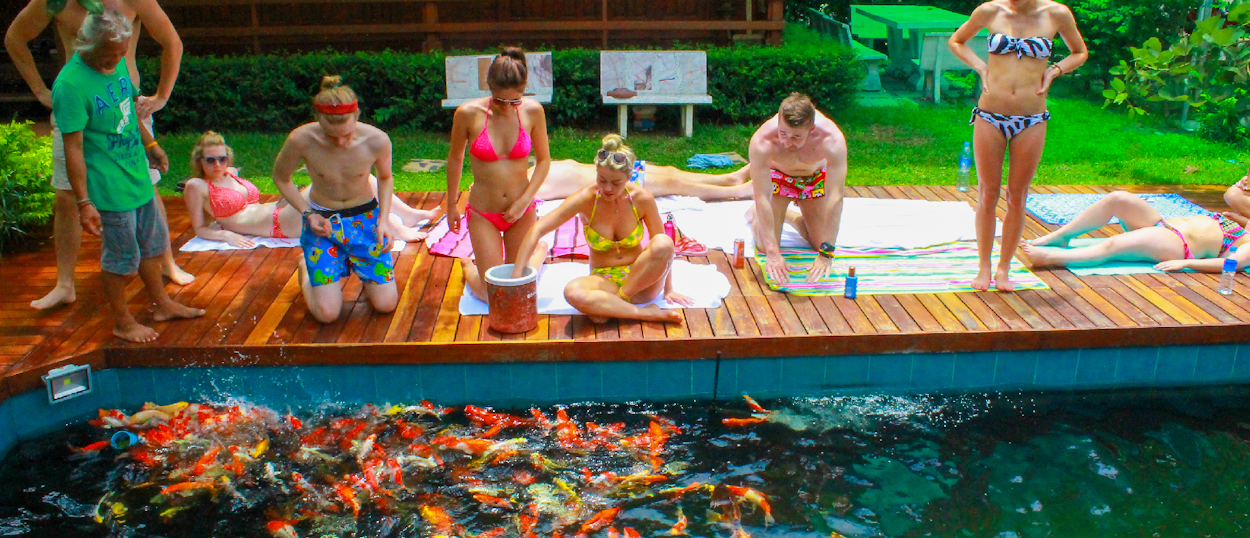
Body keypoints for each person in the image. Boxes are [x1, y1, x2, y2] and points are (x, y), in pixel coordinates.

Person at [6, 0, 192, 311]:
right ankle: (65, 283)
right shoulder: (55, 2)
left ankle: (167, 264)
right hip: (78, 107)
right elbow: (15, 37)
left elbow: (172, 41)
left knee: (146, 186)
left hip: (123, 108)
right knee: (67, 193)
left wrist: (161, 97)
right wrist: (40, 91)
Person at [53, 10, 204, 342]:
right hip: (108, 186)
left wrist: (151, 145)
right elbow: (73, 148)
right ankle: (122, 322)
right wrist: (84, 203)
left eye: (121, 53)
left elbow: (128, 109)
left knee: (152, 245)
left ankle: (163, 305)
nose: (115, 61)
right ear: (86, 44)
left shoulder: (117, 62)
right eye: (109, 55)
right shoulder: (70, 86)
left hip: (136, 173)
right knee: (121, 258)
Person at [949, 0, 1088, 291]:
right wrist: (981, 67)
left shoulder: (1056, 14)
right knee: (988, 193)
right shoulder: (991, 10)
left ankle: (1004, 269)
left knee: (1016, 196)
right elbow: (957, 41)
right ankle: (984, 267)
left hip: (1032, 118)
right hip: (990, 114)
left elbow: (1079, 52)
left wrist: (1054, 71)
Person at [510, 135, 691, 323]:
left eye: (616, 183)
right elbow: (538, 229)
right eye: (602, 180)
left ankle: (615, 305)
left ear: (629, 177)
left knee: (663, 242)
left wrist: (669, 289)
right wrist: (515, 279)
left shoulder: (642, 198)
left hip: (642, 281)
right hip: (605, 279)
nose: (607, 188)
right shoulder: (586, 199)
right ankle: (645, 313)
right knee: (572, 292)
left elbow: (664, 249)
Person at [272, 76, 399, 324]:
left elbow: (385, 178)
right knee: (327, 315)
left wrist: (384, 220)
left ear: (357, 116)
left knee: (386, 305)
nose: (340, 142)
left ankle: (360, 271)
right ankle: (307, 269)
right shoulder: (301, 139)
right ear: (318, 119)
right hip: (322, 223)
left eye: (346, 134)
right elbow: (281, 177)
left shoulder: (377, 140)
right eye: (331, 136)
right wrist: (307, 213)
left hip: (365, 221)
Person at [182, 131, 435, 247]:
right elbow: (200, 227)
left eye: (222, 158)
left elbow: (250, 204)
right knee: (343, 183)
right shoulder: (196, 186)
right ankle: (395, 225)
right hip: (276, 225)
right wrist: (225, 235)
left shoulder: (232, 175)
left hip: (277, 211)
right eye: (210, 160)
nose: (218, 164)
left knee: (359, 179)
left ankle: (407, 215)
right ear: (199, 161)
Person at [446, 47, 552, 300]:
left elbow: (544, 161)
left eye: (514, 101)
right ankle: (468, 266)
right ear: (490, 88)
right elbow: (455, 159)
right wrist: (451, 205)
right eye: (500, 100)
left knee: (518, 288)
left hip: (521, 210)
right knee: (491, 294)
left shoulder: (533, 111)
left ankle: (540, 252)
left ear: (523, 90)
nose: (507, 107)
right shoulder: (467, 114)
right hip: (484, 212)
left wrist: (524, 202)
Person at [746, 93, 849, 285]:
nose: (787, 142)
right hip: (778, 176)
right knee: (764, 245)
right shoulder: (762, 141)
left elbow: (835, 197)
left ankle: (789, 216)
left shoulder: (831, 140)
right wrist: (772, 253)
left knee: (820, 243)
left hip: (813, 177)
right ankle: (757, 215)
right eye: (783, 133)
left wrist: (826, 254)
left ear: (811, 129)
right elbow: (762, 197)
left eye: (796, 137)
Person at [1018, 191, 1250, 273]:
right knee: (1118, 199)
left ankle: (1051, 257)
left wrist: (1186, 264)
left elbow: (1234, 264)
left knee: (1113, 244)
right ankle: (1061, 236)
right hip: (1162, 225)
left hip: (1176, 244)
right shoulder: (1243, 224)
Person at [533, 159, 753, 201]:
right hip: (613, 181)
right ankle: (737, 191)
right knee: (672, 184)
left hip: (609, 167)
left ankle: (730, 178)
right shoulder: (529, 188)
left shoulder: (528, 171)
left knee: (669, 171)